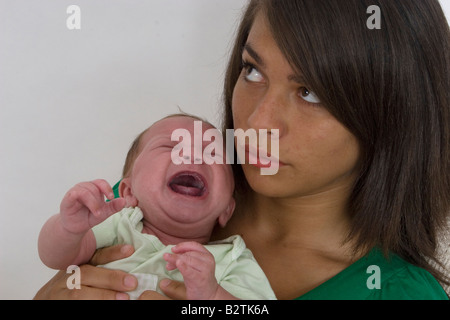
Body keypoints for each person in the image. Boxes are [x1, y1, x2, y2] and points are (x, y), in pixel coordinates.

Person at [35, 0, 450, 300]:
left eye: (311, 93)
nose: (258, 122)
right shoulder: (158, 194)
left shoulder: (398, 293)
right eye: (252, 70)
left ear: (392, 116)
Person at [38, 114, 276, 300]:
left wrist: (213, 294)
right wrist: (69, 228)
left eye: (212, 154)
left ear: (227, 209)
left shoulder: (231, 260)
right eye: (170, 146)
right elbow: (56, 258)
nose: (192, 155)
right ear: (128, 191)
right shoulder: (119, 225)